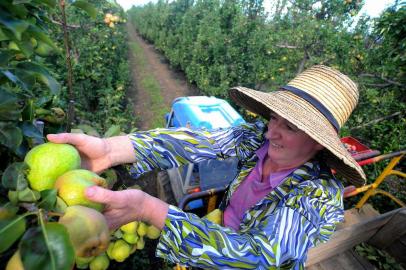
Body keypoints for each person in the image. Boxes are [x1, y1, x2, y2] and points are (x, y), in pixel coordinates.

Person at [47, 65, 366, 269]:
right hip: (217, 232)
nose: (271, 132)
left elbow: (258, 259)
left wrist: (149, 209)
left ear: (320, 142)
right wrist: (110, 149)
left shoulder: (316, 195)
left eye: (291, 127)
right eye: (273, 118)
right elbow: (191, 142)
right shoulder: (257, 140)